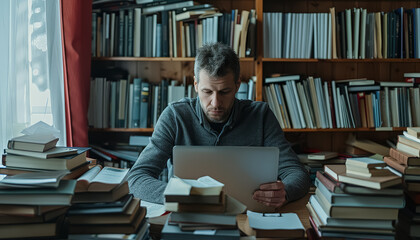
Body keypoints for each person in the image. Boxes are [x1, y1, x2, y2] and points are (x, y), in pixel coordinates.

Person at [127, 42, 310, 208]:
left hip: (249, 215)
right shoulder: (175, 116)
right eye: (207, 91)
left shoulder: (260, 116)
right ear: (196, 85)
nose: (215, 103)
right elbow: (137, 177)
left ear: (237, 86)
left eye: (224, 92)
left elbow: (295, 172)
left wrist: (285, 191)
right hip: (189, 215)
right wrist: (180, 195)